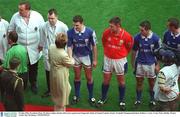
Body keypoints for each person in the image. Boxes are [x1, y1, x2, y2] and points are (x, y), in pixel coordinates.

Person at [97, 16, 133, 110]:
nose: (110, 28)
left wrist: (120, 54)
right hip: (107, 59)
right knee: (106, 80)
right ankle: (103, 98)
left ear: (118, 26)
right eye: (109, 26)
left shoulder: (126, 36)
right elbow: (104, 41)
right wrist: (109, 51)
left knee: (121, 81)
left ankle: (121, 101)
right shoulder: (107, 32)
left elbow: (129, 47)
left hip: (120, 61)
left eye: (112, 26)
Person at [8, 1, 44, 94]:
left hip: (34, 47)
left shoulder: (38, 17)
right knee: (21, 67)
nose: (19, 11)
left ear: (28, 9)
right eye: (19, 9)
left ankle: (33, 83)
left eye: (21, 10)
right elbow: (10, 29)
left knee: (33, 66)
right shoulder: (15, 17)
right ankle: (22, 83)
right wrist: (12, 43)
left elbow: (43, 31)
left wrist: (41, 44)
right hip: (21, 47)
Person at [67, 15, 97, 105]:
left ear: (82, 23)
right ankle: (76, 95)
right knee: (77, 76)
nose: (75, 27)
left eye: (77, 25)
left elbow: (94, 46)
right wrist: (70, 58)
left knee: (89, 77)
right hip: (76, 56)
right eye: (74, 25)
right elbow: (69, 46)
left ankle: (91, 96)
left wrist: (95, 60)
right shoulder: (70, 32)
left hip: (87, 57)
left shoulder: (90, 32)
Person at [39, 8, 68, 98]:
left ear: (57, 17)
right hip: (48, 51)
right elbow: (42, 38)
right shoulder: (44, 26)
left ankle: (60, 90)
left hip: (59, 52)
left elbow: (67, 40)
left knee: (59, 73)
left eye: (52, 18)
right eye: (49, 18)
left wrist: (65, 53)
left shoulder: (63, 26)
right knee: (48, 71)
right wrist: (41, 46)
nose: (50, 20)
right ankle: (50, 90)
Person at [131, 20, 161, 108]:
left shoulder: (156, 38)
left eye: (142, 30)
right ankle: (138, 100)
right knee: (139, 82)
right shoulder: (137, 37)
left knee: (152, 83)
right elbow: (134, 50)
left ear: (148, 30)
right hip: (139, 63)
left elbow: (159, 53)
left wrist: (158, 65)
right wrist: (133, 63)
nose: (140, 32)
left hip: (151, 64)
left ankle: (152, 100)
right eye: (140, 30)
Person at [49, 33, 74, 111]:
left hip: (53, 72)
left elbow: (49, 58)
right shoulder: (63, 54)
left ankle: (59, 109)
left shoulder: (51, 47)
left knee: (56, 92)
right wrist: (71, 56)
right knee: (62, 94)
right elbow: (70, 63)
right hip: (61, 75)